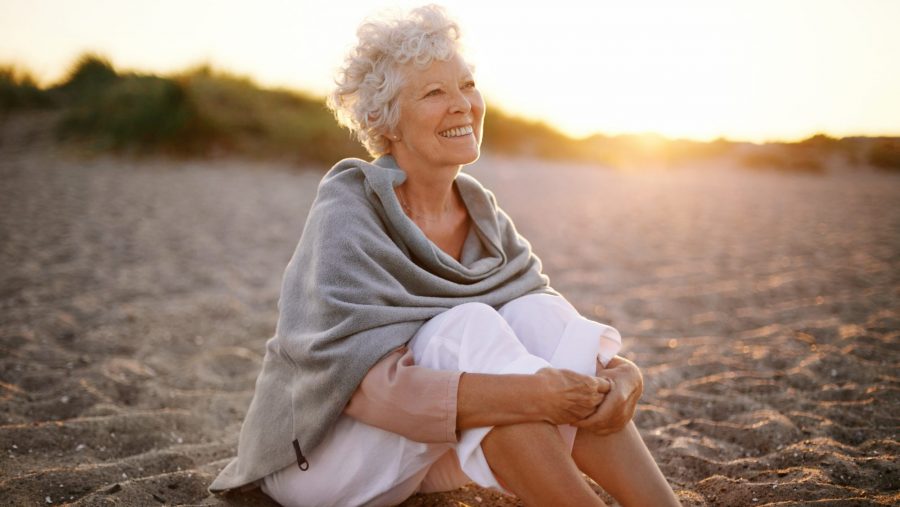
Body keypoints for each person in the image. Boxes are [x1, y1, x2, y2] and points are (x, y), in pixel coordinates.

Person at [209, 5, 680, 506]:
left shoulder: (480, 211)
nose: (462, 104)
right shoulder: (348, 211)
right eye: (434, 92)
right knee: (467, 326)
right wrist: (533, 395)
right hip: (319, 458)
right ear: (385, 119)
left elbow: (550, 330)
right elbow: (365, 391)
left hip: (424, 454)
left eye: (468, 85)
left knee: (533, 310)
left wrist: (622, 375)